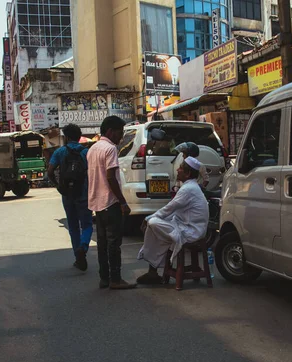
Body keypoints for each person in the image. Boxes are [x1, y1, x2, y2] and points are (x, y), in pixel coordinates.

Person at [136, 157, 208, 284]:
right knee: (155, 226)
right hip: (185, 225)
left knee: (153, 224)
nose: (177, 170)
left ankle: (153, 271)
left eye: (180, 168)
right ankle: (152, 272)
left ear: (187, 173)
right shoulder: (189, 187)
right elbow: (172, 211)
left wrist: (148, 219)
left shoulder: (188, 189)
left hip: (192, 231)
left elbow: (169, 208)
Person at [87, 115, 136, 290]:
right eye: (119, 132)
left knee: (102, 243)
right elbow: (111, 177)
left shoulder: (92, 149)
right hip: (110, 202)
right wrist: (122, 202)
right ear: (110, 131)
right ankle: (115, 279)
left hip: (97, 204)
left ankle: (104, 278)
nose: (121, 137)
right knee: (114, 243)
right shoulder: (110, 149)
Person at [48, 123, 93, 271]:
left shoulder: (60, 152)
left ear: (66, 137)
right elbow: (93, 173)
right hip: (83, 193)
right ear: (79, 137)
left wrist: (58, 185)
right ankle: (84, 247)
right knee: (86, 225)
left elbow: (50, 171)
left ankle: (78, 256)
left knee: (73, 227)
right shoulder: (86, 153)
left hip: (67, 194)